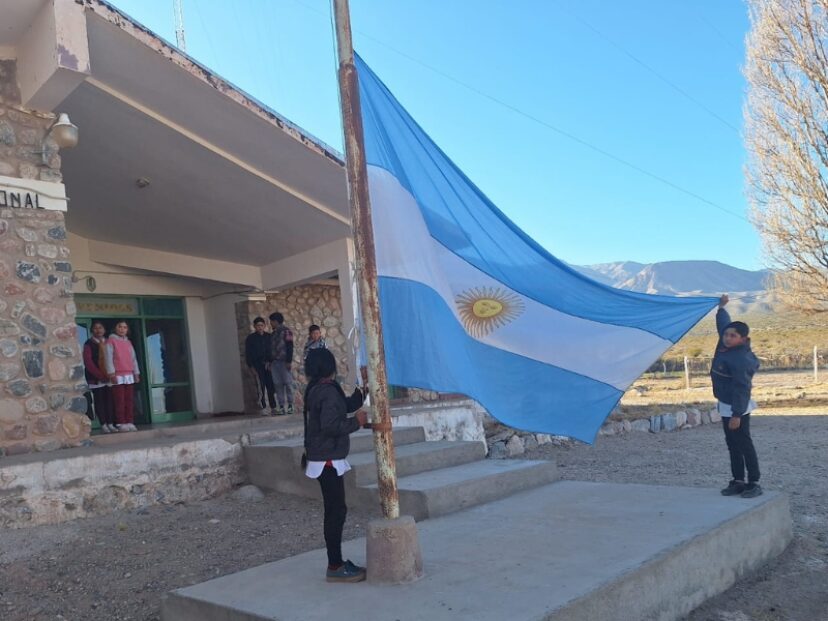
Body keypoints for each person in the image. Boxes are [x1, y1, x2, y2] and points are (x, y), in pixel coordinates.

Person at [303, 348, 368, 583]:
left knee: (335, 510)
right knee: (335, 511)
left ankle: (336, 562)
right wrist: (356, 423)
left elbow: (345, 404)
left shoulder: (318, 388)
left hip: (322, 455)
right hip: (327, 458)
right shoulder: (327, 391)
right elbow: (331, 425)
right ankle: (335, 565)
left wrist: (363, 391)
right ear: (329, 366)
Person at [711, 294, 762, 498]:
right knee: (732, 444)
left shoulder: (741, 359)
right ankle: (738, 480)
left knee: (744, 444)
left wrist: (736, 415)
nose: (727, 337)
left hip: (737, 407)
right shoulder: (724, 346)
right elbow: (724, 325)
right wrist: (722, 308)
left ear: (743, 339)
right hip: (726, 403)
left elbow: (742, 388)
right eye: (727, 335)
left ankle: (754, 482)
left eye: (733, 336)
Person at [104, 320, 140, 432]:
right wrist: (111, 373)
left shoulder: (128, 343)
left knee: (129, 399)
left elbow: (133, 359)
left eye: (125, 327)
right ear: (115, 328)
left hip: (129, 373)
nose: (122, 329)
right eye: (120, 327)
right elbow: (108, 358)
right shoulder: (111, 341)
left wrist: (136, 373)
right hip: (118, 374)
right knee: (119, 400)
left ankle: (130, 421)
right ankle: (121, 422)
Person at [83, 321, 115, 433]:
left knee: (110, 401)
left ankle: (111, 423)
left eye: (100, 328)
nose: (98, 330)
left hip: (109, 376)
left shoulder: (109, 343)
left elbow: (114, 358)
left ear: (104, 330)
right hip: (95, 377)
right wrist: (100, 375)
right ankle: (103, 424)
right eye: (96, 328)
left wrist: (111, 374)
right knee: (99, 401)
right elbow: (88, 362)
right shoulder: (88, 344)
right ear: (92, 330)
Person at [245, 317, 277, 415]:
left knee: (271, 387)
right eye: (258, 325)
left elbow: (274, 350)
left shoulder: (269, 337)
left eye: (261, 325)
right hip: (257, 365)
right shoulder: (251, 338)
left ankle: (273, 407)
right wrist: (251, 367)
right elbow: (248, 353)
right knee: (261, 387)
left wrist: (272, 363)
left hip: (269, 365)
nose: (260, 327)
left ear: (264, 326)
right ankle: (263, 407)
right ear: (254, 326)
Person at [269, 312, 295, 415]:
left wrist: (289, 361)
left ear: (275, 321)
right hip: (275, 363)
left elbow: (290, 346)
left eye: (271, 321)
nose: (270, 323)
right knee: (278, 384)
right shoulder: (273, 334)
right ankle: (281, 406)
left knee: (288, 383)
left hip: (284, 361)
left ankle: (290, 405)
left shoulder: (286, 332)